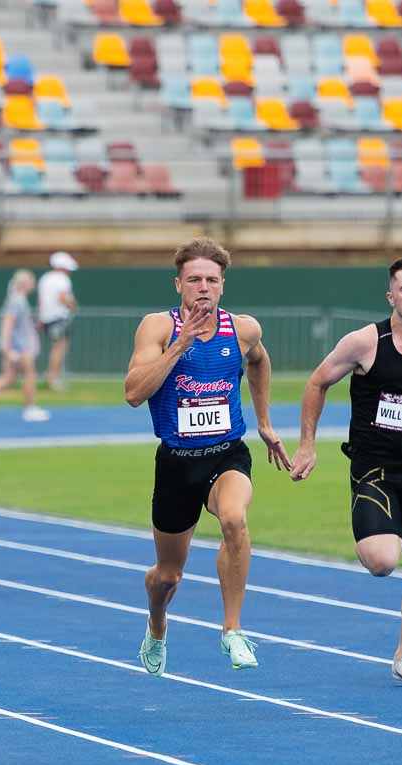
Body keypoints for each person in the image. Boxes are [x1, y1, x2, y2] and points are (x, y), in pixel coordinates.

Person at [289, 256, 402, 689]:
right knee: (384, 562)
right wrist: (307, 443)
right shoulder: (365, 343)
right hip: (374, 470)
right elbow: (317, 382)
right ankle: (371, 529)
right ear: (391, 296)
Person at [124, 237, 291, 676]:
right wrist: (181, 346)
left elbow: (258, 361)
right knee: (167, 577)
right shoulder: (157, 328)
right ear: (178, 283)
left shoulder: (243, 329)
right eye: (194, 279)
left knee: (234, 519)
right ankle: (157, 624)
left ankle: (231, 630)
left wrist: (265, 422)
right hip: (177, 463)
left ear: (222, 286)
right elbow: (133, 394)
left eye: (212, 280)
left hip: (227, 455)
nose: (203, 287)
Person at [0, 269, 50, 423]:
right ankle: (29, 408)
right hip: (20, 347)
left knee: (9, 377)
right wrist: (7, 349)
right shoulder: (17, 300)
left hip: (20, 345)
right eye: (31, 281)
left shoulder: (19, 300)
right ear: (23, 283)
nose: (33, 284)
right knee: (29, 375)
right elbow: (8, 323)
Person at [38, 251, 78, 391]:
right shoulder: (62, 279)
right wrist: (73, 305)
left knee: (57, 348)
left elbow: (41, 301)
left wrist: (41, 318)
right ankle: (52, 378)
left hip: (47, 318)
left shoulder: (45, 278)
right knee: (59, 348)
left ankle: (52, 376)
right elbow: (63, 298)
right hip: (58, 318)